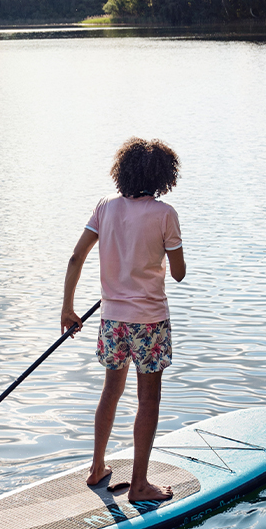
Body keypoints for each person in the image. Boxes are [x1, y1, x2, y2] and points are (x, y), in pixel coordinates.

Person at [61, 137, 186, 502]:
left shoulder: (105, 208)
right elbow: (178, 273)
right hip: (149, 321)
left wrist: (67, 309)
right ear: (163, 176)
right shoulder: (165, 214)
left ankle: (97, 466)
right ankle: (140, 486)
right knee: (148, 400)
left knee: (110, 392)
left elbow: (76, 257)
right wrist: (166, 254)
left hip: (111, 319)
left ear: (123, 172)